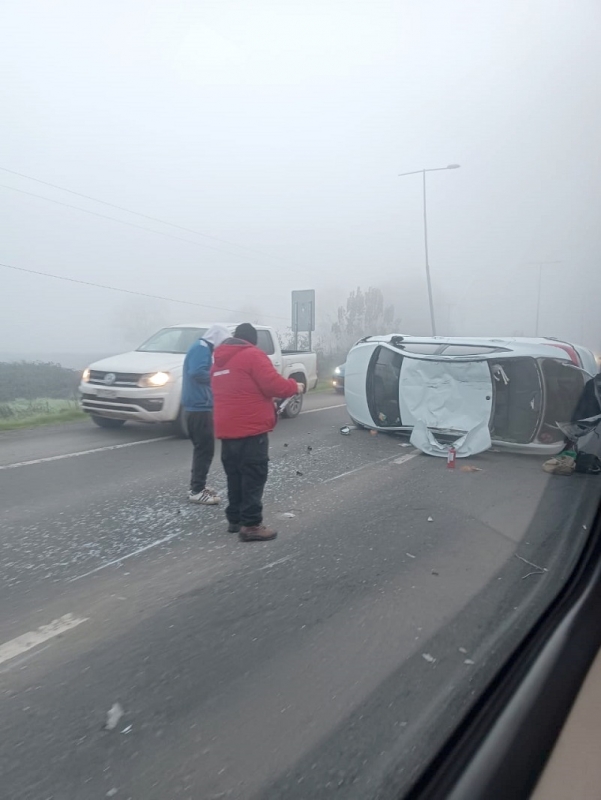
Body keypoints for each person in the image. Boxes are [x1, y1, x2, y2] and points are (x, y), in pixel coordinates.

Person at [211, 323, 304, 541]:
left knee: (234, 475)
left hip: (226, 429)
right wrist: (294, 386)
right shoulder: (252, 355)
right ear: (252, 341)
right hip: (251, 429)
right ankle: (251, 525)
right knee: (253, 475)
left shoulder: (217, 362)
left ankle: (234, 519)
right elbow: (275, 386)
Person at [182, 324, 230, 504]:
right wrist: (216, 376)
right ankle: (196, 490)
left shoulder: (200, 348)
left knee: (202, 449)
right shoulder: (201, 349)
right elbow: (196, 372)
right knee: (205, 449)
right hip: (199, 408)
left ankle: (197, 485)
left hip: (198, 406)